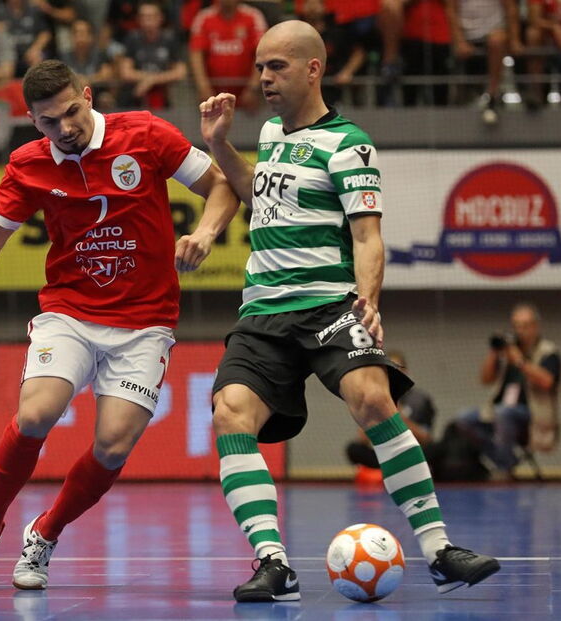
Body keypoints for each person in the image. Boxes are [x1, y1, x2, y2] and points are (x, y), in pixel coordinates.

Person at [199, 19, 500, 602]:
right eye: (260, 66)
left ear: (314, 69)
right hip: (263, 313)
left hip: (328, 306)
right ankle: (273, 563)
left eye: (277, 66)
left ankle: (439, 550)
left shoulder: (348, 142)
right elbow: (253, 190)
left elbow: (367, 235)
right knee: (230, 414)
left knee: (371, 395)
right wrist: (217, 144)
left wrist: (369, 300)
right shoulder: (268, 134)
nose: (264, 77)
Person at [0, 59, 239, 590]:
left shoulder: (145, 133)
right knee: (35, 416)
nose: (65, 128)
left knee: (114, 446)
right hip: (70, 310)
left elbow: (224, 186)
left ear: (88, 96)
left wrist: (206, 234)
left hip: (145, 320)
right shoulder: (27, 164)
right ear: (32, 120)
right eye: (49, 122)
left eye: (71, 112)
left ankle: (44, 534)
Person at [456, 303, 561, 480]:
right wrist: (494, 352)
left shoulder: (548, 351)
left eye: (525, 326)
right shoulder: (507, 350)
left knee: (504, 412)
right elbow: (485, 379)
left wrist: (520, 361)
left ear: (536, 326)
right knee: (464, 418)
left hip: (532, 414)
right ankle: (505, 460)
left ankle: (503, 469)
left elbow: (547, 382)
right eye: (517, 326)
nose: (521, 331)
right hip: (499, 410)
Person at [346, 350, 436, 469]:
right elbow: (362, 439)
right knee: (354, 449)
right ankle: (391, 469)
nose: (393, 374)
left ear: (405, 371)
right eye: (389, 369)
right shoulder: (372, 398)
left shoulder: (420, 400)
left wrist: (396, 416)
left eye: (397, 368)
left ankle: (396, 468)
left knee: (435, 449)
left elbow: (426, 439)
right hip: (384, 452)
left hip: (411, 452)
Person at [444, 0, 522, 123]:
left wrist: (514, 38)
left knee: (497, 40)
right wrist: (459, 41)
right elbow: (451, 10)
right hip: (467, 36)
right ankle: (461, 97)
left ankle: (493, 94)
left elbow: (511, 8)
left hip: (494, 32)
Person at [189, 0, 267, 111]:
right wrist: (203, 87)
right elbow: (196, 53)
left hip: (247, 94)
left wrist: (253, 88)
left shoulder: (253, 16)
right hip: (213, 94)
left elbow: (262, 53)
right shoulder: (204, 18)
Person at [117, 0, 186, 109]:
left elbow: (180, 72)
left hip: (163, 97)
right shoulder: (132, 38)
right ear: (138, 19)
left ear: (160, 18)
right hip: (134, 97)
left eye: (151, 16)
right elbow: (126, 72)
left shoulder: (170, 39)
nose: (147, 20)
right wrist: (149, 79)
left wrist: (151, 80)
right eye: (143, 16)